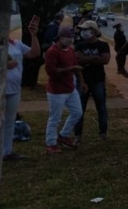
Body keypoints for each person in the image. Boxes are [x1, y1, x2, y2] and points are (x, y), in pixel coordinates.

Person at [44, 26, 87, 153]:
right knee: (55, 118)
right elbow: (50, 71)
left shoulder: (70, 50)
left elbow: (76, 67)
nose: (70, 40)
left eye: (72, 37)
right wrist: (70, 69)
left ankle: (63, 135)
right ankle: (50, 143)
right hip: (56, 91)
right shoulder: (52, 51)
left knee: (77, 112)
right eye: (68, 37)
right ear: (61, 37)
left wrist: (82, 81)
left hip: (70, 88)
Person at [3, 16, 40, 161]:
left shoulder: (16, 44)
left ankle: (6, 152)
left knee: (9, 121)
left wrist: (33, 35)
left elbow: (34, 53)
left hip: (14, 90)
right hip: (1, 90)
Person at [73, 20, 110, 142]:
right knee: (79, 109)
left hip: (98, 80)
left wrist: (86, 59)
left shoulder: (103, 45)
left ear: (93, 31)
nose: (83, 32)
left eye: (86, 29)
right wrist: (94, 57)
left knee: (101, 108)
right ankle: (77, 135)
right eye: (82, 30)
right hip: (82, 80)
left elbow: (105, 60)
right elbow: (77, 60)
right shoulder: (79, 44)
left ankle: (103, 133)